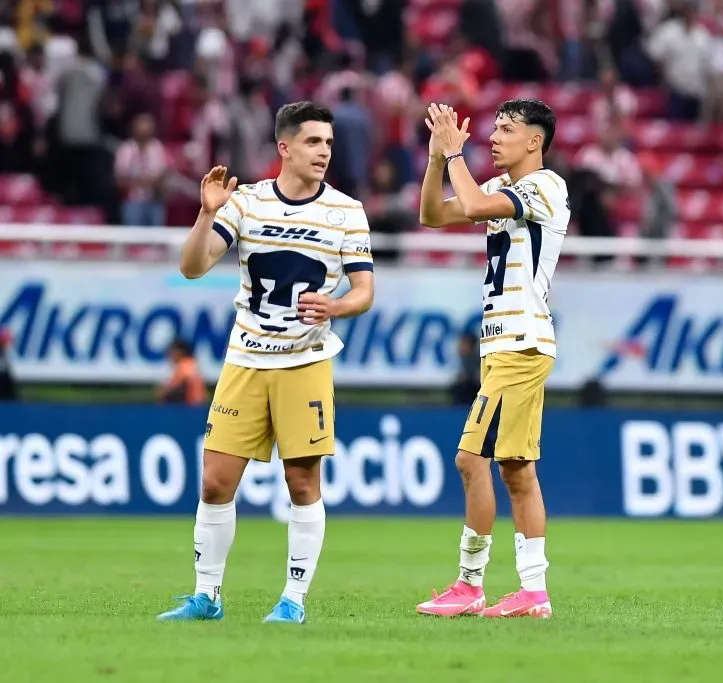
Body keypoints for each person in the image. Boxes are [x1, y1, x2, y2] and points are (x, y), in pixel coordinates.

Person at [156, 102, 375, 624]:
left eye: (328, 143)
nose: (324, 151)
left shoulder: (346, 210)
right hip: (246, 359)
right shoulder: (248, 201)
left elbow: (364, 290)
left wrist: (337, 305)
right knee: (215, 482)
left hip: (305, 361)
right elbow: (192, 268)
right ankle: (206, 596)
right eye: (313, 142)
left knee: (302, 484)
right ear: (285, 147)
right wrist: (207, 212)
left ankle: (293, 600)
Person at [415, 98, 568, 618]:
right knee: (516, 469)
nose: (495, 137)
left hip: (521, 342)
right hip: (502, 343)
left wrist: (456, 156)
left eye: (507, 129)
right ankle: (531, 592)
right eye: (494, 128)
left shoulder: (544, 187)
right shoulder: (505, 193)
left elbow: (475, 207)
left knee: (471, 459)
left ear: (534, 141)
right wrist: (439, 157)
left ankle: (472, 583)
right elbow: (433, 214)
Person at [157, 338, 208, 406]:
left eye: (172, 352)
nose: (170, 355)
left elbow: (178, 387)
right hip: (199, 406)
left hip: (190, 408)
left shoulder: (184, 365)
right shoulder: (192, 363)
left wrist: (164, 392)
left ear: (180, 352)